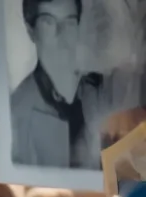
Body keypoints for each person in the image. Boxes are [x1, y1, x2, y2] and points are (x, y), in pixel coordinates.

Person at [10, 0, 140, 169]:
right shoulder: (18, 111)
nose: (61, 32)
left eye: (69, 22)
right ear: (31, 30)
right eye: (48, 21)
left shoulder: (98, 89)